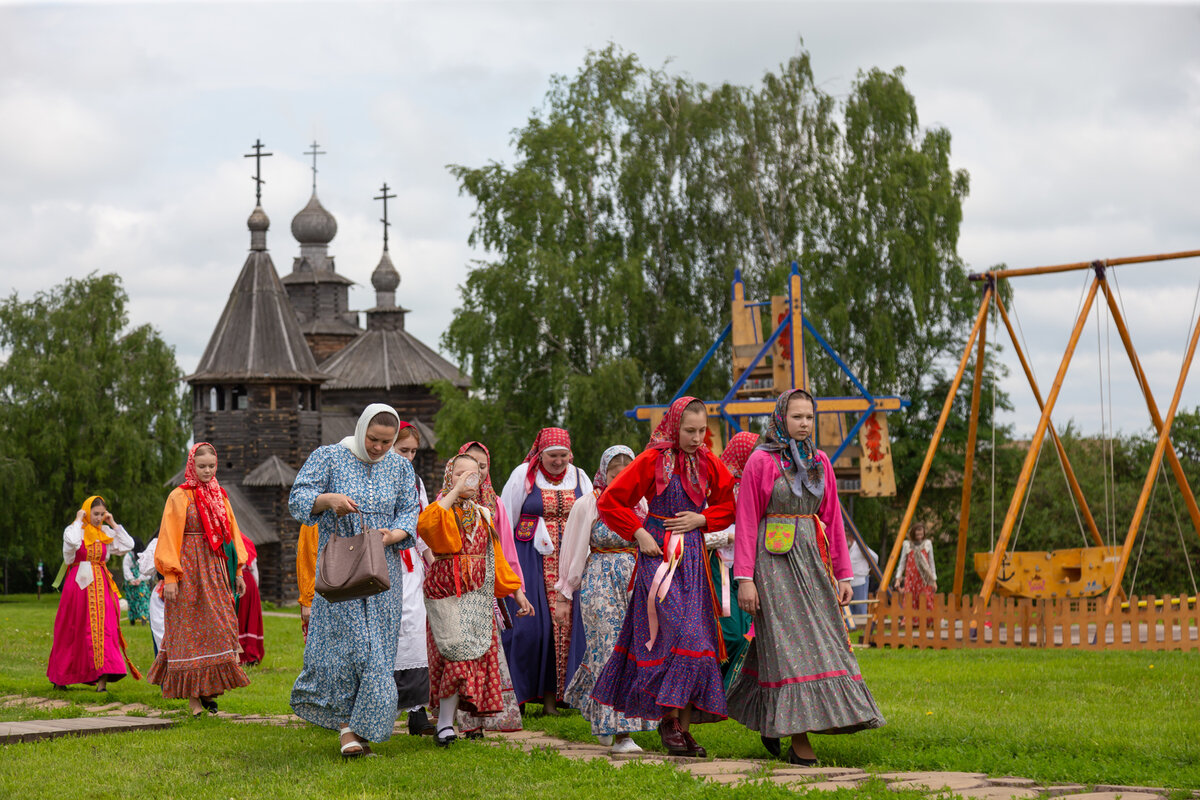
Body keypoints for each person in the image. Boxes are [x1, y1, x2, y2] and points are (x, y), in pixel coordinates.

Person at [726, 389, 885, 766]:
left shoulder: (820, 462)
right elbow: (747, 522)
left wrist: (844, 574)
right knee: (786, 645)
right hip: (772, 564)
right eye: (796, 417)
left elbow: (832, 519)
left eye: (809, 418)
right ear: (781, 419)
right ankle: (799, 740)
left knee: (818, 640)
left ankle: (773, 719)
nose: (803, 424)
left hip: (813, 561)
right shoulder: (760, 463)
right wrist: (744, 578)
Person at [590, 397, 736, 757]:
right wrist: (639, 532)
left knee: (700, 643)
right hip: (658, 558)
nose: (697, 437)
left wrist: (702, 519)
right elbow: (611, 501)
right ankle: (668, 723)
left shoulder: (708, 463)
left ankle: (681, 731)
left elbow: (730, 503)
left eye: (703, 430)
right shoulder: (653, 460)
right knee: (674, 636)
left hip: (693, 562)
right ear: (674, 426)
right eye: (690, 430)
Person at [288, 404, 420, 758]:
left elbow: (411, 511)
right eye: (373, 439)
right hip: (340, 567)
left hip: (381, 570)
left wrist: (390, 536)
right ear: (361, 429)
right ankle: (348, 728)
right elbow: (297, 499)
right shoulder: (329, 457)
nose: (378, 447)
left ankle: (360, 731)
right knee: (352, 649)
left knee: (378, 651)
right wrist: (328, 500)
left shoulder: (401, 467)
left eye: (386, 442)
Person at [418, 454, 534, 746]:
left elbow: (497, 559)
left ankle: (447, 725)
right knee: (454, 654)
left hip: (477, 594)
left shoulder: (483, 514)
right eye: (460, 474)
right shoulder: (441, 510)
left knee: (468, 657)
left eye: (474, 474)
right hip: (447, 590)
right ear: (449, 476)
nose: (469, 479)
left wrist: (517, 593)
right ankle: (444, 723)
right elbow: (427, 526)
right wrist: (454, 492)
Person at [554, 445, 655, 753]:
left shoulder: (641, 505)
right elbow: (571, 550)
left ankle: (599, 711)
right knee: (608, 650)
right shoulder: (589, 504)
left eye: (626, 473)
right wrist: (563, 594)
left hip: (635, 581)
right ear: (604, 472)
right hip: (598, 580)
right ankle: (622, 734)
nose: (619, 478)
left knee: (630, 651)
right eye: (614, 473)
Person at [148, 444, 250, 716]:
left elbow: (232, 534)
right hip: (188, 573)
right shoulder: (179, 497)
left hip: (215, 570)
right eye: (201, 466)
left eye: (211, 466)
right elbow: (169, 536)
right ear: (192, 466)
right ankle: (194, 699)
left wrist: (238, 571)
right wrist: (170, 576)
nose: (207, 471)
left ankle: (209, 689)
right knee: (188, 632)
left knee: (220, 625)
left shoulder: (220, 496)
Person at [499, 427, 592, 713]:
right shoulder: (523, 476)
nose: (558, 461)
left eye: (563, 455)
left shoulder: (580, 477)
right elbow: (507, 517)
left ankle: (559, 697)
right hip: (530, 558)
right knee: (530, 627)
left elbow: (591, 512)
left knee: (567, 627)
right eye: (552, 455)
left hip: (570, 558)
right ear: (541, 454)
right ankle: (521, 694)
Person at [453, 441, 525, 737]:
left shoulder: (494, 506)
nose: (477, 474)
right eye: (469, 468)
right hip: (455, 589)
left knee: (485, 654)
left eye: (482, 467)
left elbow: (505, 553)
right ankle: (459, 719)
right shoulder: (445, 503)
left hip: (483, 592)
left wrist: (516, 591)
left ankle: (487, 716)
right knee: (459, 654)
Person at [47, 496, 139, 691]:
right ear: (86, 512)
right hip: (78, 587)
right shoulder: (75, 531)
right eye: (94, 514)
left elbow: (128, 544)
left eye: (101, 514)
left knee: (104, 628)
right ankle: (62, 676)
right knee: (73, 628)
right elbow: (70, 544)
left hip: (102, 585)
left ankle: (102, 679)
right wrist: (79, 520)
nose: (98, 518)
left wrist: (112, 522)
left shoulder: (104, 532)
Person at [391, 421, 435, 736]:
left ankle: (417, 711)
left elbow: (422, 524)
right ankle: (374, 707)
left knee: (416, 631)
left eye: (413, 451)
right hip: (380, 563)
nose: (408, 456)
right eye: (402, 449)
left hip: (410, 567)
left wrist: (432, 562)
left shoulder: (415, 481)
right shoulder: (373, 476)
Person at [705, 431, 758, 690]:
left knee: (746, 632)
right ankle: (711, 690)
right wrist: (734, 535)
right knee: (730, 633)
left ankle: (727, 694)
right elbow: (703, 530)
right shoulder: (715, 485)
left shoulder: (758, 483)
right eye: (752, 454)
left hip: (749, 567)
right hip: (720, 566)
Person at [894, 521, 937, 618]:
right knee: (910, 598)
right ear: (913, 533)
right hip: (911, 578)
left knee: (925, 598)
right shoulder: (907, 545)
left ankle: (928, 620)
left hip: (924, 578)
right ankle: (911, 620)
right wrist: (898, 579)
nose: (919, 535)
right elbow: (902, 563)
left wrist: (933, 580)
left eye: (921, 533)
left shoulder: (927, 544)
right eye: (917, 533)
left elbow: (931, 562)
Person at [237, 536, 265, 666]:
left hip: (235, 582)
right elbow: (254, 568)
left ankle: (237, 655)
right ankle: (251, 654)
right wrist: (255, 590)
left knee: (238, 618)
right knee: (250, 618)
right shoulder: (247, 542)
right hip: (249, 582)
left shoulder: (227, 541)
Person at [137, 535, 165, 655]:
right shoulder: (160, 542)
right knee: (162, 637)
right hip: (163, 595)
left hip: (190, 593)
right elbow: (145, 568)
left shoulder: (194, 540)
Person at [122, 536, 153, 626]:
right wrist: (137, 579)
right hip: (139, 580)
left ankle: (134, 618)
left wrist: (134, 579)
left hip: (136, 580)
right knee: (142, 599)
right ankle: (142, 618)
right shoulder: (142, 555)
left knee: (133, 599)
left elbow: (126, 567)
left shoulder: (129, 555)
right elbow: (147, 568)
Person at [847, 539, 878, 616]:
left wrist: (870, 570)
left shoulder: (860, 546)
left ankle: (862, 626)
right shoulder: (845, 547)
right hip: (848, 581)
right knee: (849, 608)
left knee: (860, 607)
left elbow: (875, 557)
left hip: (860, 580)